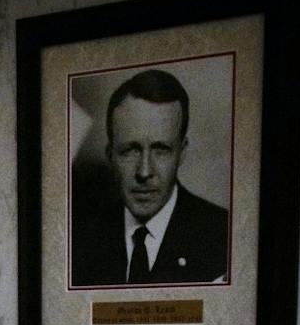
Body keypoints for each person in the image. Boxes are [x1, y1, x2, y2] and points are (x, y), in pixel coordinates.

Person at [69, 66, 231, 287]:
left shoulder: (224, 236)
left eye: (161, 150)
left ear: (182, 152)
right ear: (110, 155)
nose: (144, 172)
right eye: (130, 150)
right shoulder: (80, 241)